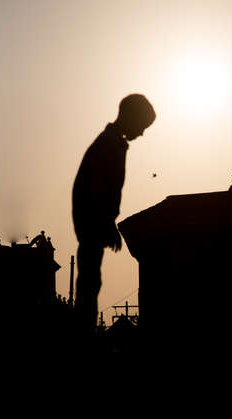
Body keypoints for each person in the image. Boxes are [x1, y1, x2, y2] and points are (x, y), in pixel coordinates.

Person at [72, 93, 156, 336]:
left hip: (92, 223)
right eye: (141, 126)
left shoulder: (110, 142)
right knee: (89, 285)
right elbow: (95, 188)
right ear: (129, 117)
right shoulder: (110, 145)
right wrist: (105, 224)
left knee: (89, 282)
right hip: (92, 224)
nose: (141, 133)